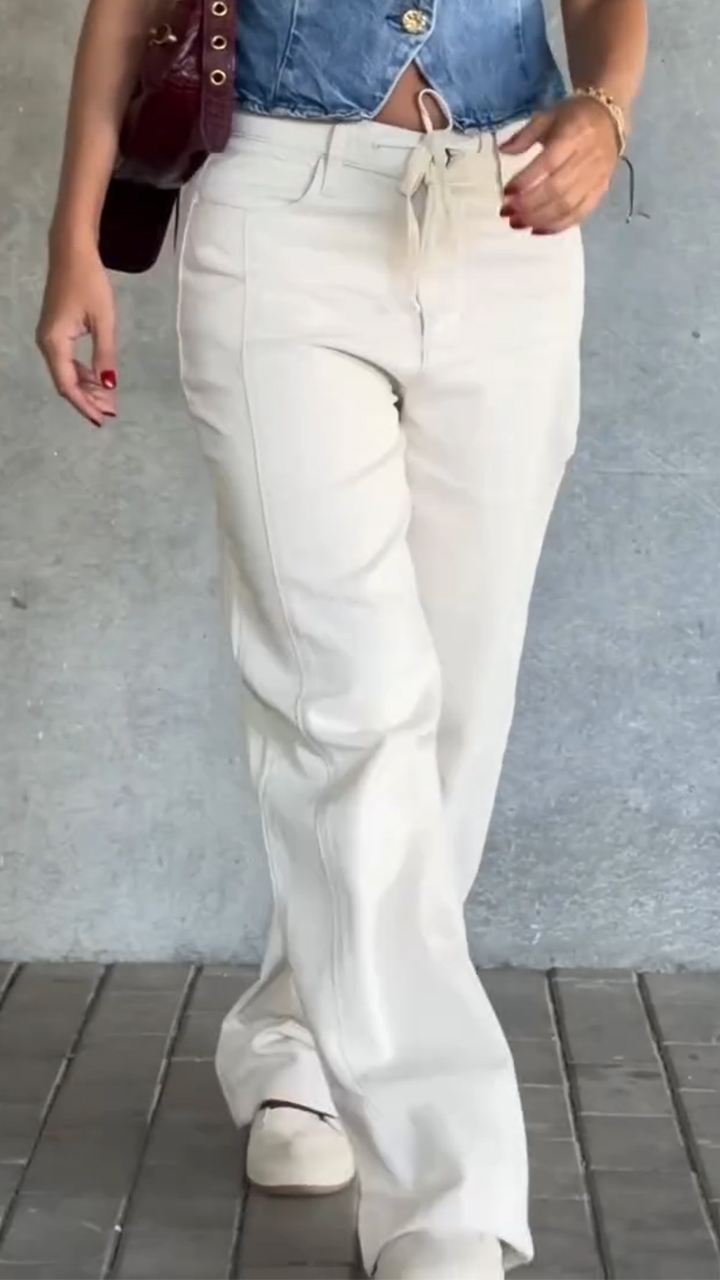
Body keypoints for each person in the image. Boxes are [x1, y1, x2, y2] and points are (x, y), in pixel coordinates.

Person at [37, 0, 647, 1275]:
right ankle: (445, 1191)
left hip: (509, 217)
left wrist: (605, 108)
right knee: (349, 705)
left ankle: (299, 1036)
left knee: (455, 713)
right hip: (278, 221)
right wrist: (74, 238)